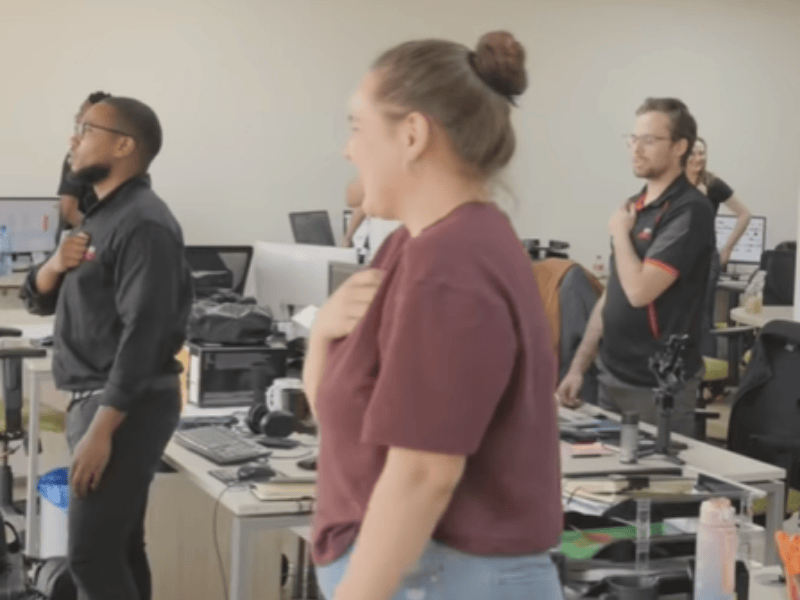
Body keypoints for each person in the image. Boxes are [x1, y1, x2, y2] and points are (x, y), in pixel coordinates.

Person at [303, 31, 564, 600]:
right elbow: (338, 413)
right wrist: (322, 332)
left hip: (446, 577)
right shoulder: (414, 248)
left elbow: (424, 473)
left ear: (414, 134)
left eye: (357, 126)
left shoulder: (452, 263)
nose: (349, 150)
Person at [21, 96, 192, 600]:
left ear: (123, 145)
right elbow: (40, 302)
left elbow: (148, 331)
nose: (73, 140)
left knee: (91, 558)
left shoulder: (144, 222)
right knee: (121, 547)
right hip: (102, 401)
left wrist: (102, 427)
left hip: (121, 407)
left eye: (85, 128)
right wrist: (53, 266)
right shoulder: (102, 216)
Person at [556, 98, 715, 437]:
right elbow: (613, 295)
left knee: (656, 488)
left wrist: (618, 235)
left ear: (679, 147)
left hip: (657, 388)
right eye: (633, 138)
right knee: (609, 483)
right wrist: (577, 368)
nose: (635, 149)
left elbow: (640, 291)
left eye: (649, 140)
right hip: (611, 375)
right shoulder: (634, 208)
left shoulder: (690, 211)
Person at [686, 137, 752, 357]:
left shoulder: (712, 184)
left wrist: (727, 248)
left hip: (706, 260)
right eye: (693, 153)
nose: (698, 158)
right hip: (678, 260)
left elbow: (744, 214)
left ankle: (710, 386)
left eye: (702, 153)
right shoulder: (672, 183)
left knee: (703, 319)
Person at [56, 91, 111, 232]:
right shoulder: (120, 160)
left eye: (82, 115)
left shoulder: (77, 156)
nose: (77, 119)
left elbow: (68, 211)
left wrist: (100, 237)